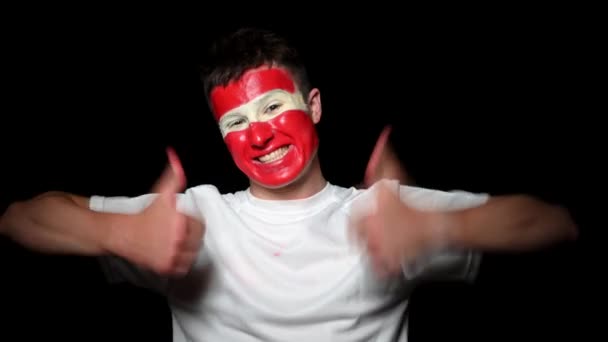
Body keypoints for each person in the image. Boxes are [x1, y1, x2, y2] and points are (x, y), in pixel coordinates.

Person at [0, 27, 578, 341]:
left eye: (274, 107)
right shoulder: (195, 218)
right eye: (235, 122)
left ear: (315, 105)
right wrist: (115, 235)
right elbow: (19, 219)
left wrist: (440, 227)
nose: (258, 136)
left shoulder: (385, 212)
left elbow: (554, 224)